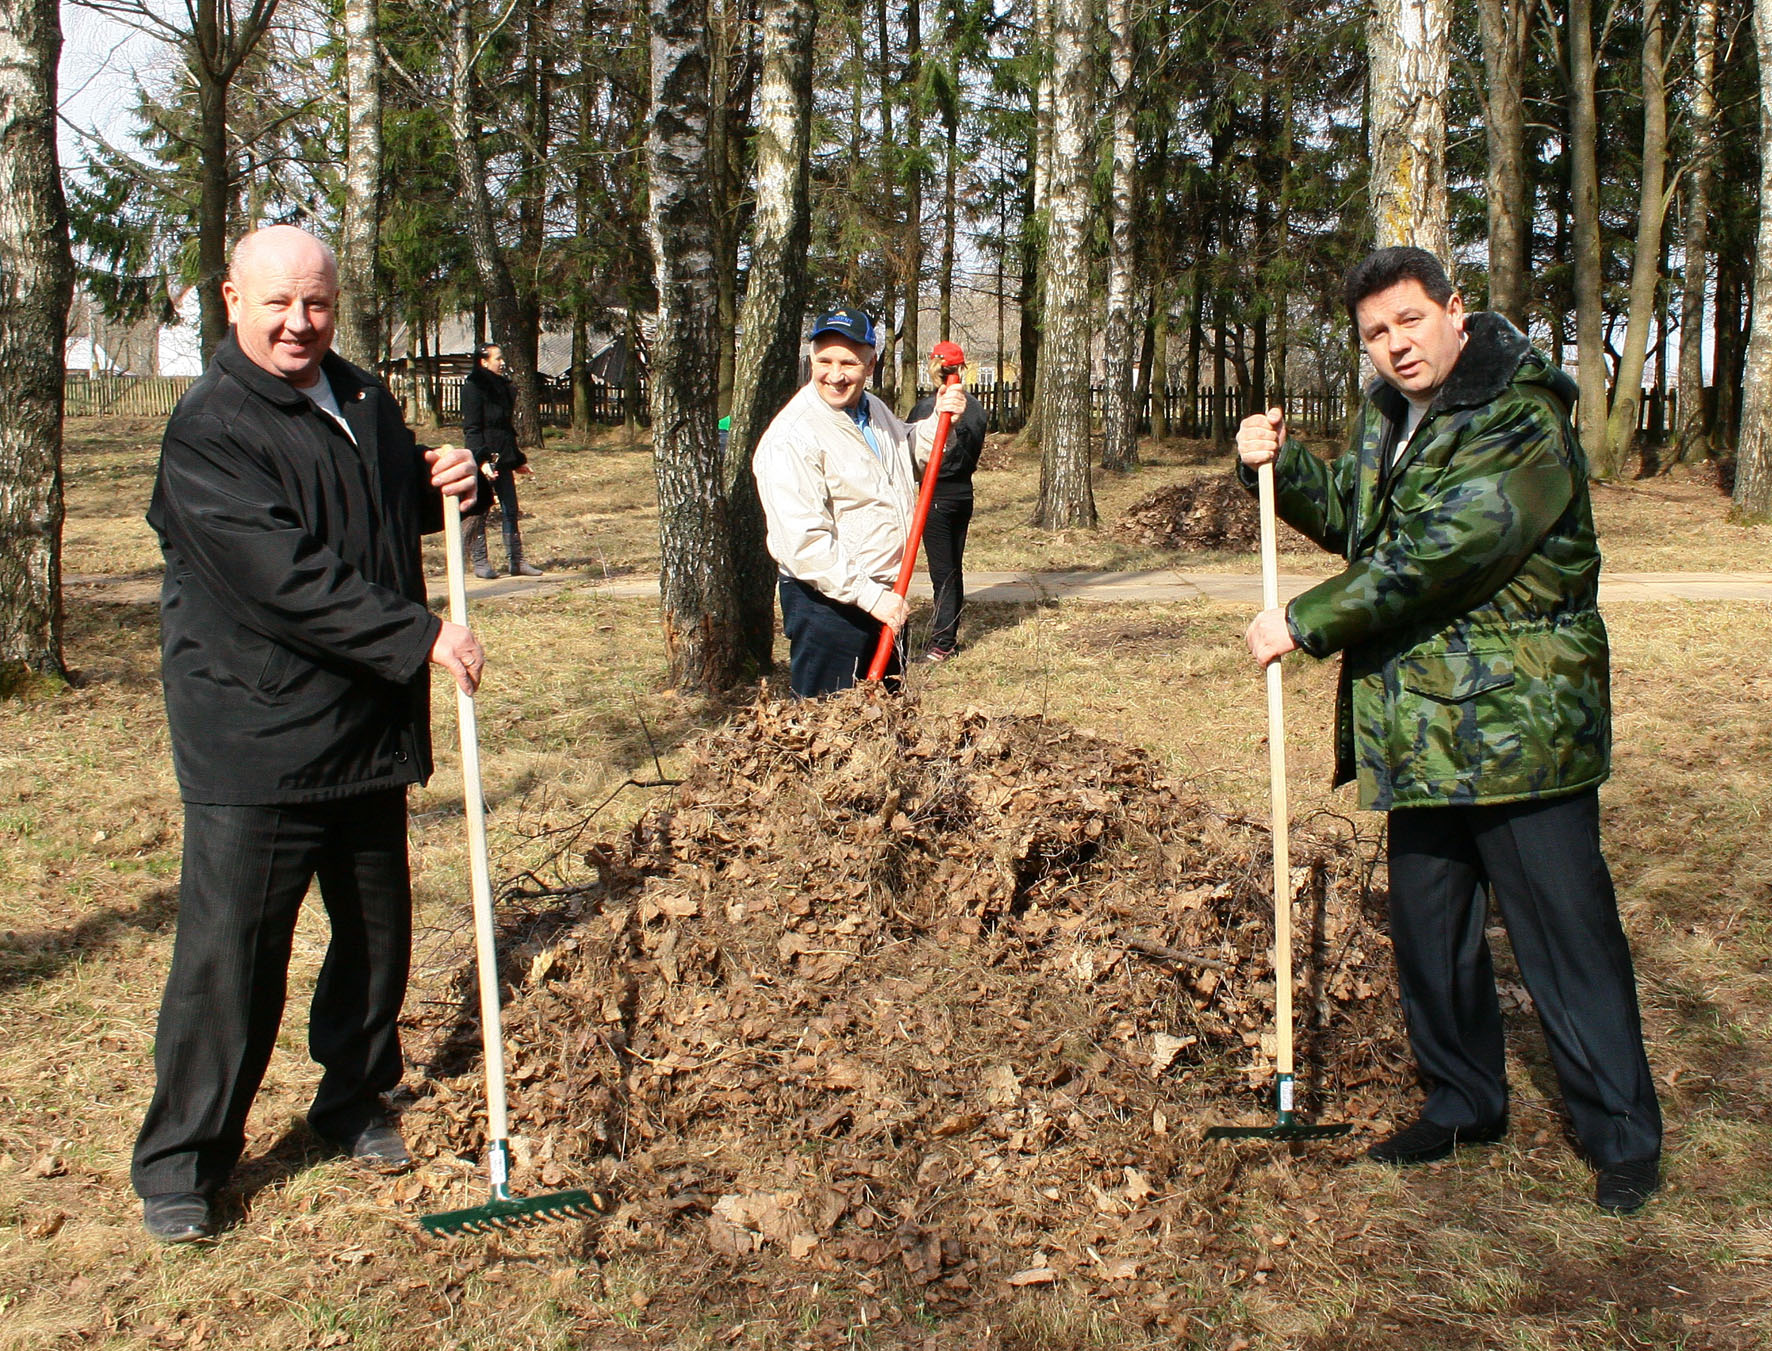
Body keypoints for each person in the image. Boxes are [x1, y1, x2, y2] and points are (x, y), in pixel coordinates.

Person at [1234, 246, 1662, 1214]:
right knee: (1431, 935)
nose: (1394, 346)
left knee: (1562, 934)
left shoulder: (1519, 415)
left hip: (1520, 733)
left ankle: (1620, 1135)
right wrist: (1275, 466)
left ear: (1453, 312)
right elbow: (1361, 519)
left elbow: (1441, 551)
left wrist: (1303, 621)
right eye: (1374, 335)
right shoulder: (1390, 417)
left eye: (1407, 321)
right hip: (1421, 728)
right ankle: (1463, 1100)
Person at [133, 224, 485, 1243]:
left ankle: (352, 1102)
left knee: (375, 937)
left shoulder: (362, 398)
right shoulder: (211, 427)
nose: (299, 323)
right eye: (279, 303)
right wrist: (416, 632)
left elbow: (373, 510)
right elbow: (284, 577)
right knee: (232, 955)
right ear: (231, 300)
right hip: (260, 728)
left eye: (318, 304)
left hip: (363, 726)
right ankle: (183, 1162)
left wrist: (449, 485)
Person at [753, 311, 967, 697]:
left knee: (885, 720)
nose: (835, 375)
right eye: (825, 361)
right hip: (829, 606)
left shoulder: (871, 408)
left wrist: (940, 421)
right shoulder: (792, 436)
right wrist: (872, 599)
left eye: (849, 363)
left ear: (871, 364)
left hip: (887, 596)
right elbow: (803, 543)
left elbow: (907, 454)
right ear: (811, 360)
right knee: (830, 728)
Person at [907, 341, 987, 662]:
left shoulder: (928, 410)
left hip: (937, 495)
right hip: (963, 495)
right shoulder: (978, 409)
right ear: (962, 368)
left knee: (943, 572)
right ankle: (948, 634)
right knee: (953, 568)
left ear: (934, 368)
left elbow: (916, 456)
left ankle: (943, 641)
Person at [460, 343, 542, 579]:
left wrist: (516, 460)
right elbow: (472, 429)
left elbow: (505, 428)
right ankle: (480, 563)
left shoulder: (502, 388)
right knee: (481, 511)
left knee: (510, 510)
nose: (502, 362)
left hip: (504, 457)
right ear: (483, 362)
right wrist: (481, 460)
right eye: (497, 358)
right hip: (484, 459)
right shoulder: (473, 388)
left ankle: (516, 561)